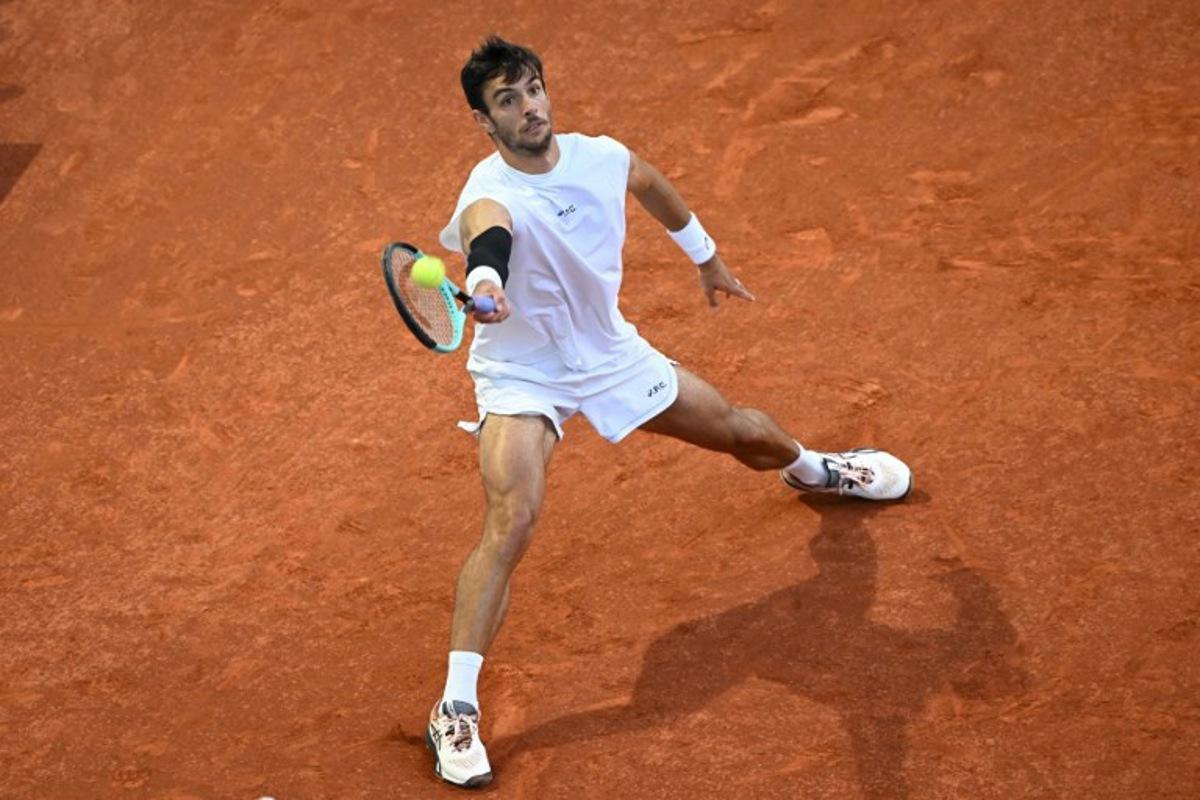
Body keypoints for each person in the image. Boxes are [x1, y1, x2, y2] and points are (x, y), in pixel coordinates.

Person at [424, 35, 912, 788]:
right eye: (507, 101)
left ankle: (816, 469)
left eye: (533, 89)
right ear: (484, 122)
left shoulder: (600, 157)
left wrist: (705, 255)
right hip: (524, 374)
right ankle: (455, 707)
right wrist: (486, 284)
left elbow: (650, 183)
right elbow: (491, 238)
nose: (529, 109)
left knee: (742, 433)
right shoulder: (486, 192)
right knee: (512, 517)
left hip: (609, 355)